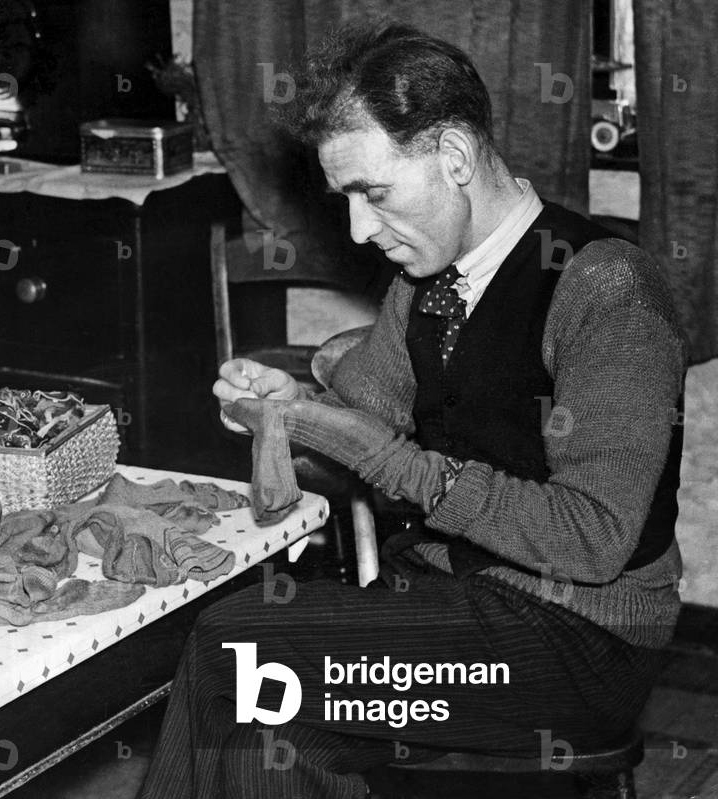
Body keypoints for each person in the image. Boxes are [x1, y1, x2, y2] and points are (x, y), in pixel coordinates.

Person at [138, 23, 685, 799]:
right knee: (267, 722)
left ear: (454, 157)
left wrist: (383, 455)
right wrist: (282, 411)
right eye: (346, 200)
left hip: (580, 641)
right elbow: (359, 416)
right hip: (449, 603)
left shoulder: (608, 290)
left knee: (237, 641)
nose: (361, 230)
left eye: (375, 193)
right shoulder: (424, 284)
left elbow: (592, 540)